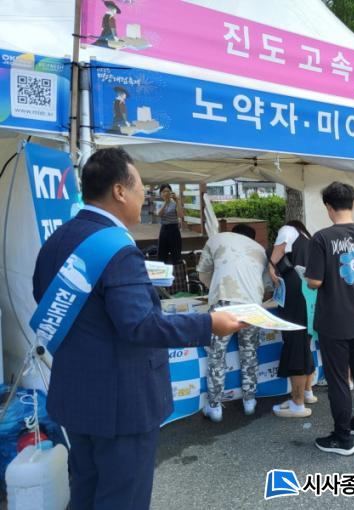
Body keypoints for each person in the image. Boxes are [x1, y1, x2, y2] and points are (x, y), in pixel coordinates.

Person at [32, 148, 244, 509]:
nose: (144, 195)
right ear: (119, 191)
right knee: (122, 499)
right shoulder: (117, 248)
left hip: (75, 395)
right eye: (141, 187)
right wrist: (210, 323)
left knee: (84, 492)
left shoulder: (57, 239)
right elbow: (141, 325)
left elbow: (44, 296)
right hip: (122, 403)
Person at [305, 182, 354, 456]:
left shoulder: (321, 238)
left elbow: (314, 281)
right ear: (353, 203)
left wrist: (310, 276)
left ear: (327, 207)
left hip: (333, 319)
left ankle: (342, 438)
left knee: (338, 378)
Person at [198, 223, 268, 418]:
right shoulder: (260, 250)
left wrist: (215, 286)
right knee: (249, 353)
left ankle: (215, 407)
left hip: (223, 302)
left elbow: (203, 273)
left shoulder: (217, 239)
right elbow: (265, 284)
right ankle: (249, 402)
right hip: (253, 306)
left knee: (216, 355)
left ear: (232, 233)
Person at [269, 220, 317, 418]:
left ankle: (297, 404)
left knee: (295, 344)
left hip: (294, 295)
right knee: (305, 343)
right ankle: (307, 392)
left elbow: (280, 249)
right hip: (309, 295)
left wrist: (271, 266)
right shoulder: (308, 239)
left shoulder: (288, 229)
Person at [157, 184, 184, 265]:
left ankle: (176, 271)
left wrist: (177, 201)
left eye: (168, 191)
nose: (166, 193)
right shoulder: (159, 204)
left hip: (174, 230)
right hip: (164, 229)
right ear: (160, 194)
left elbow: (180, 215)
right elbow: (159, 214)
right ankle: (163, 271)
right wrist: (166, 202)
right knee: (162, 255)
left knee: (176, 255)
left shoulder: (175, 203)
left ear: (171, 192)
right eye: (164, 191)